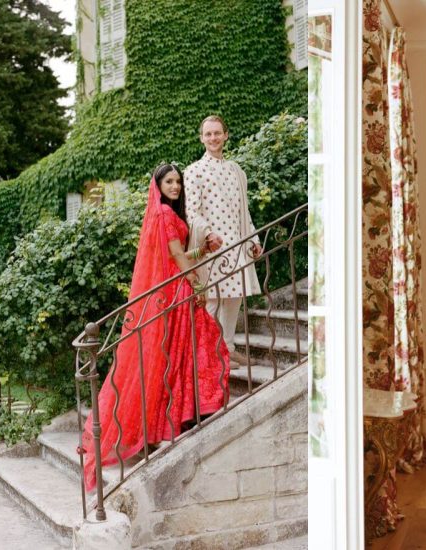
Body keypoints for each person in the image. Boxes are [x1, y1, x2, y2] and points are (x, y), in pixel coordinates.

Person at [81, 163, 230, 492]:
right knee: (188, 347)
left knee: (180, 351)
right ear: (158, 185)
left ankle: (180, 416)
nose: (175, 186)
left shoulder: (163, 214)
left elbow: (175, 251)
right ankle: (184, 414)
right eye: (169, 181)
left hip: (172, 288)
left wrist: (202, 250)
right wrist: (197, 284)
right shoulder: (164, 213)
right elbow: (176, 255)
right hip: (177, 290)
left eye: (178, 181)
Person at [184, 115, 262, 366]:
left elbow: (244, 211)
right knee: (214, 299)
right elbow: (191, 211)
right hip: (213, 246)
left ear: (226, 135)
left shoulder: (236, 171)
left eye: (217, 133)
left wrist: (254, 239)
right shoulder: (194, 171)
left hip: (237, 244)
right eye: (208, 134)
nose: (213, 138)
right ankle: (210, 354)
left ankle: (228, 347)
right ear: (201, 138)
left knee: (234, 296)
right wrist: (207, 234)